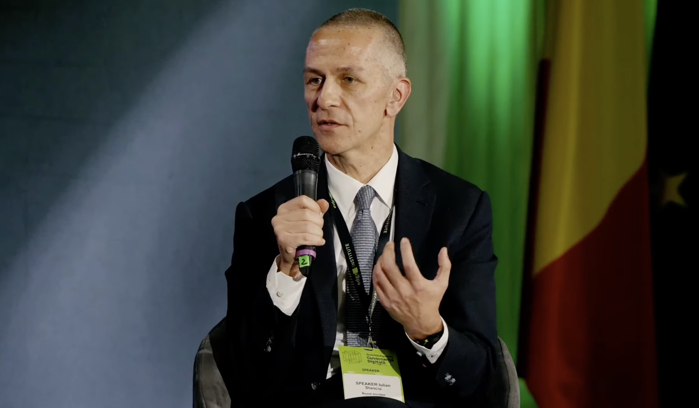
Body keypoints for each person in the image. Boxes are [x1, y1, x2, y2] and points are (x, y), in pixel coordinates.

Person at [221, 8, 498, 408]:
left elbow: (484, 379)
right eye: (314, 80)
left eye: (348, 79)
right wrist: (286, 273)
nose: (324, 98)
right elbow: (240, 374)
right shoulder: (267, 214)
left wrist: (428, 329)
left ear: (396, 96)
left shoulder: (459, 209)